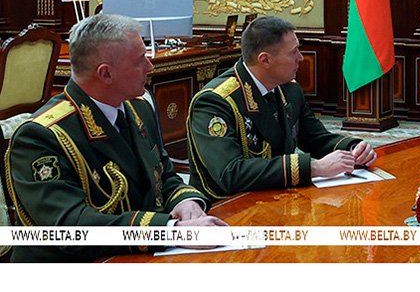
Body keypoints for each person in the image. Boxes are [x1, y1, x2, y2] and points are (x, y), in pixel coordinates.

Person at [4, 14, 226, 263]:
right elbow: (70, 226)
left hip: (136, 258)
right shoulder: (42, 136)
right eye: (140, 60)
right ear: (106, 74)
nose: (150, 67)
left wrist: (186, 201)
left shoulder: (138, 107)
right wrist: (170, 230)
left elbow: (164, 174)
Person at [187, 16, 377, 201]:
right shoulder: (216, 101)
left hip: (277, 197)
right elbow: (231, 173)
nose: (301, 58)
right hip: (228, 206)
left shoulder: (289, 89)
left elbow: (314, 137)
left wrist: (353, 149)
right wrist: (313, 168)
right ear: (265, 60)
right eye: (293, 52)